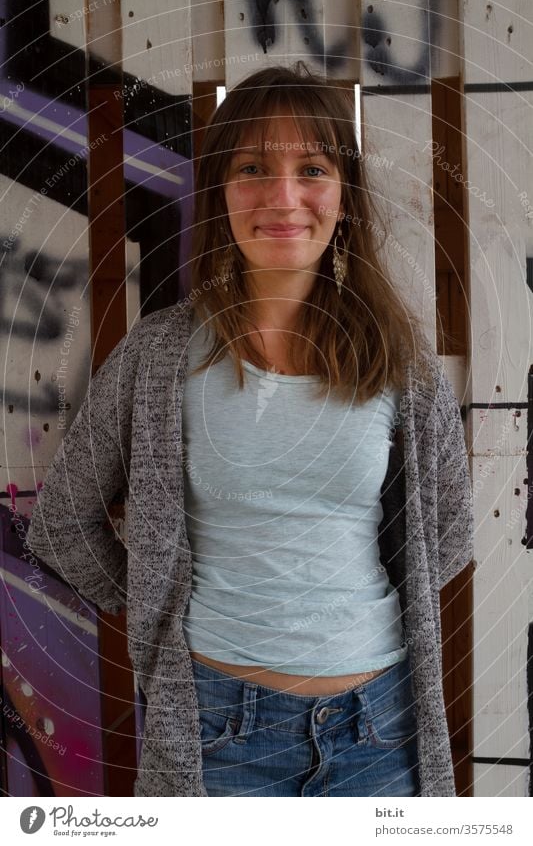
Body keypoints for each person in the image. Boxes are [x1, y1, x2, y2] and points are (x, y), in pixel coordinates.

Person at [27, 61, 474, 798]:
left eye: (313, 168)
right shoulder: (162, 353)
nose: (283, 196)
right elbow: (64, 521)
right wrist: (160, 613)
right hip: (217, 734)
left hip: (379, 732)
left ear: (343, 193)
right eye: (252, 168)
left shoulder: (398, 361)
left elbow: (450, 529)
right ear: (220, 191)